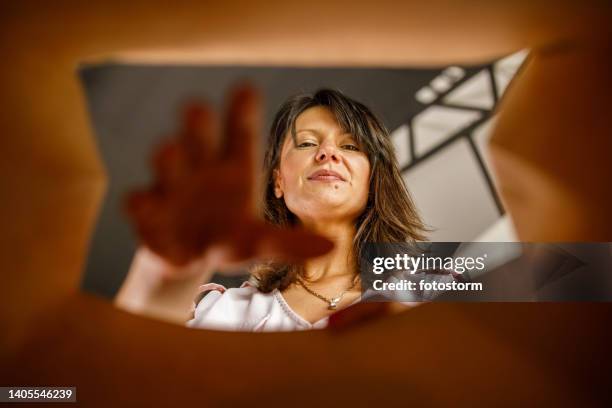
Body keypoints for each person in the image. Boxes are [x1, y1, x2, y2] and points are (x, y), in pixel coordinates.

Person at [115, 85, 427, 331]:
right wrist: (168, 274)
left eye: (350, 146)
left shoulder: (428, 297)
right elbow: (112, 378)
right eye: (306, 143)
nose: (327, 152)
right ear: (279, 181)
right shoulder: (225, 314)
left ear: (373, 181)